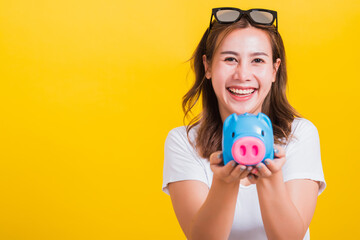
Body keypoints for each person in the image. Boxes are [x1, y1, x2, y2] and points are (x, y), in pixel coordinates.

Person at [162, 7, 326, 240]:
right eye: (230, 59)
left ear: (274, 70)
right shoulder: (183, 142)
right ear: (208, 66)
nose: (243, 74)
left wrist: (270, 179)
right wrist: (224, 181)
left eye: (257, 60)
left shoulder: (300, 134)